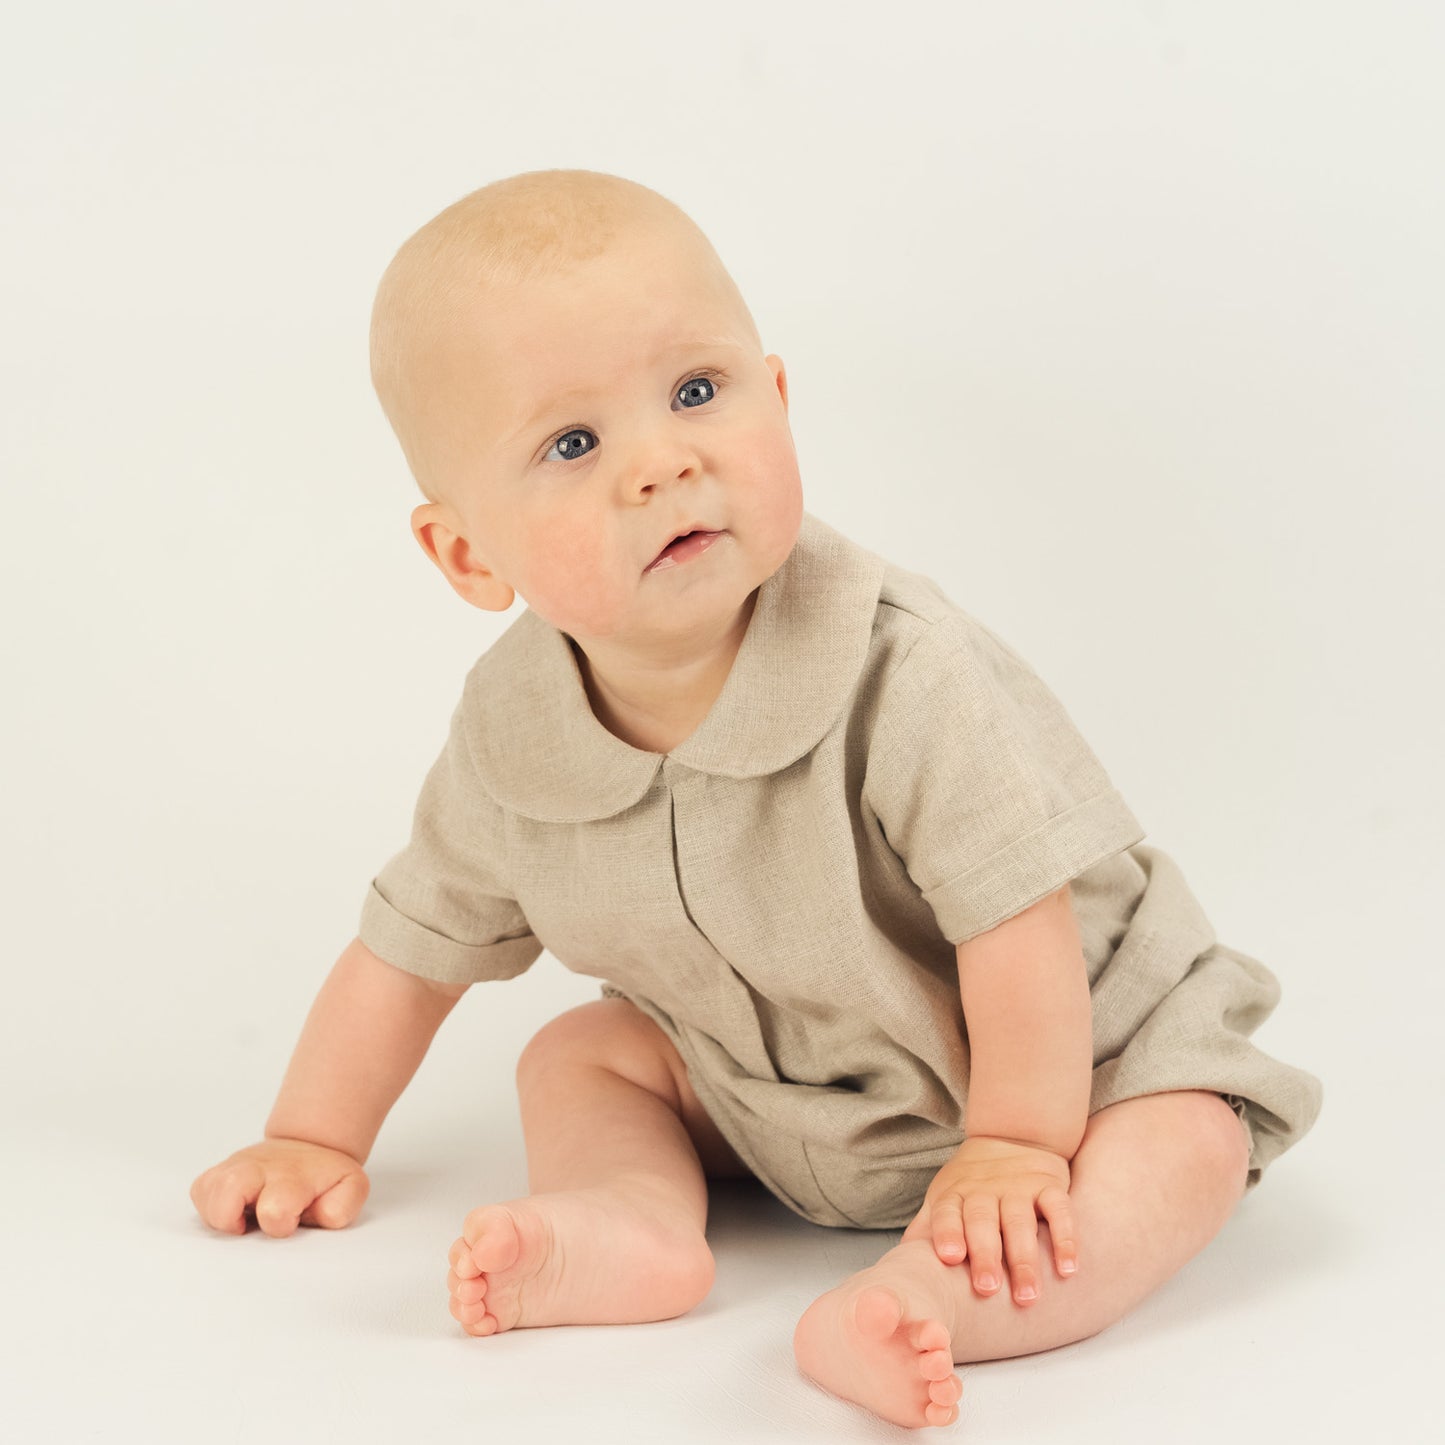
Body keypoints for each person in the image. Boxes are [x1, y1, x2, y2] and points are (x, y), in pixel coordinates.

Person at [189, 168, 1322, 1430]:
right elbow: (408, 951)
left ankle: (930, 1300)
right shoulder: (512, 739)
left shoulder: (902, 666)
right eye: (574, 443)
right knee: (584, 1053)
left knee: (1187, 1145)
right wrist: (313, 1134)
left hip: (1074, 1063)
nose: (662, 463)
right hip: (776, 1091)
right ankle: (630, 1220)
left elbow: (1019, 921)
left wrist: (1011, 1139)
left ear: (775, 399)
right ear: (468, 554)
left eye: (694, 392)